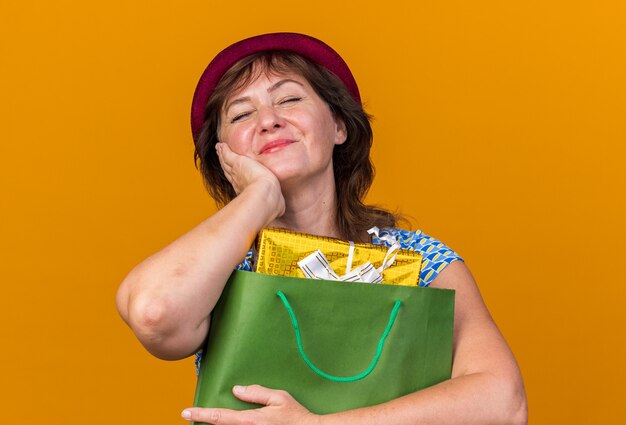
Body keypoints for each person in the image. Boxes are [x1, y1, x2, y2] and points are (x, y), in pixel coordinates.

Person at [116, 32, 528, 424]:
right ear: (223, 157)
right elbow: (155, 314)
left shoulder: (421, 261)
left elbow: (503, 402)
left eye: (289, 99)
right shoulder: (216, 272)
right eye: (241, 114)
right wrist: (259, 197)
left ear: (338, 126)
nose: (269, 121)